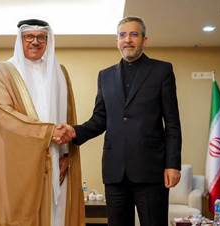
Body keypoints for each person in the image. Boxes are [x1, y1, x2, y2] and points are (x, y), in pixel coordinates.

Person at [68, 16, 182, 226]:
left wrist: (173, 165)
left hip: (151, 171)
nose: (127, 39)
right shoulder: (105, 76)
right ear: (117, 40)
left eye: (134, 34)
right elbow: (99, 119)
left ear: (144, 40)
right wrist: (74, 132)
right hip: (114, 172)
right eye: (122, 35)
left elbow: (172, 123)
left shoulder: (162, 71)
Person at [0, 19, 84, 226]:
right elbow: (5, 116)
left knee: (57, 213)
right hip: (18, 160)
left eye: (41, 37)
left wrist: (65, 152)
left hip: (56, 157)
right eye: (29, 36)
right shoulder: (3, 71)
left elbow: (68, 115)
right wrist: (48, 132)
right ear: (20, 39)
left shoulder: (60, 72)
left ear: (48, 40)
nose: (35, 42)